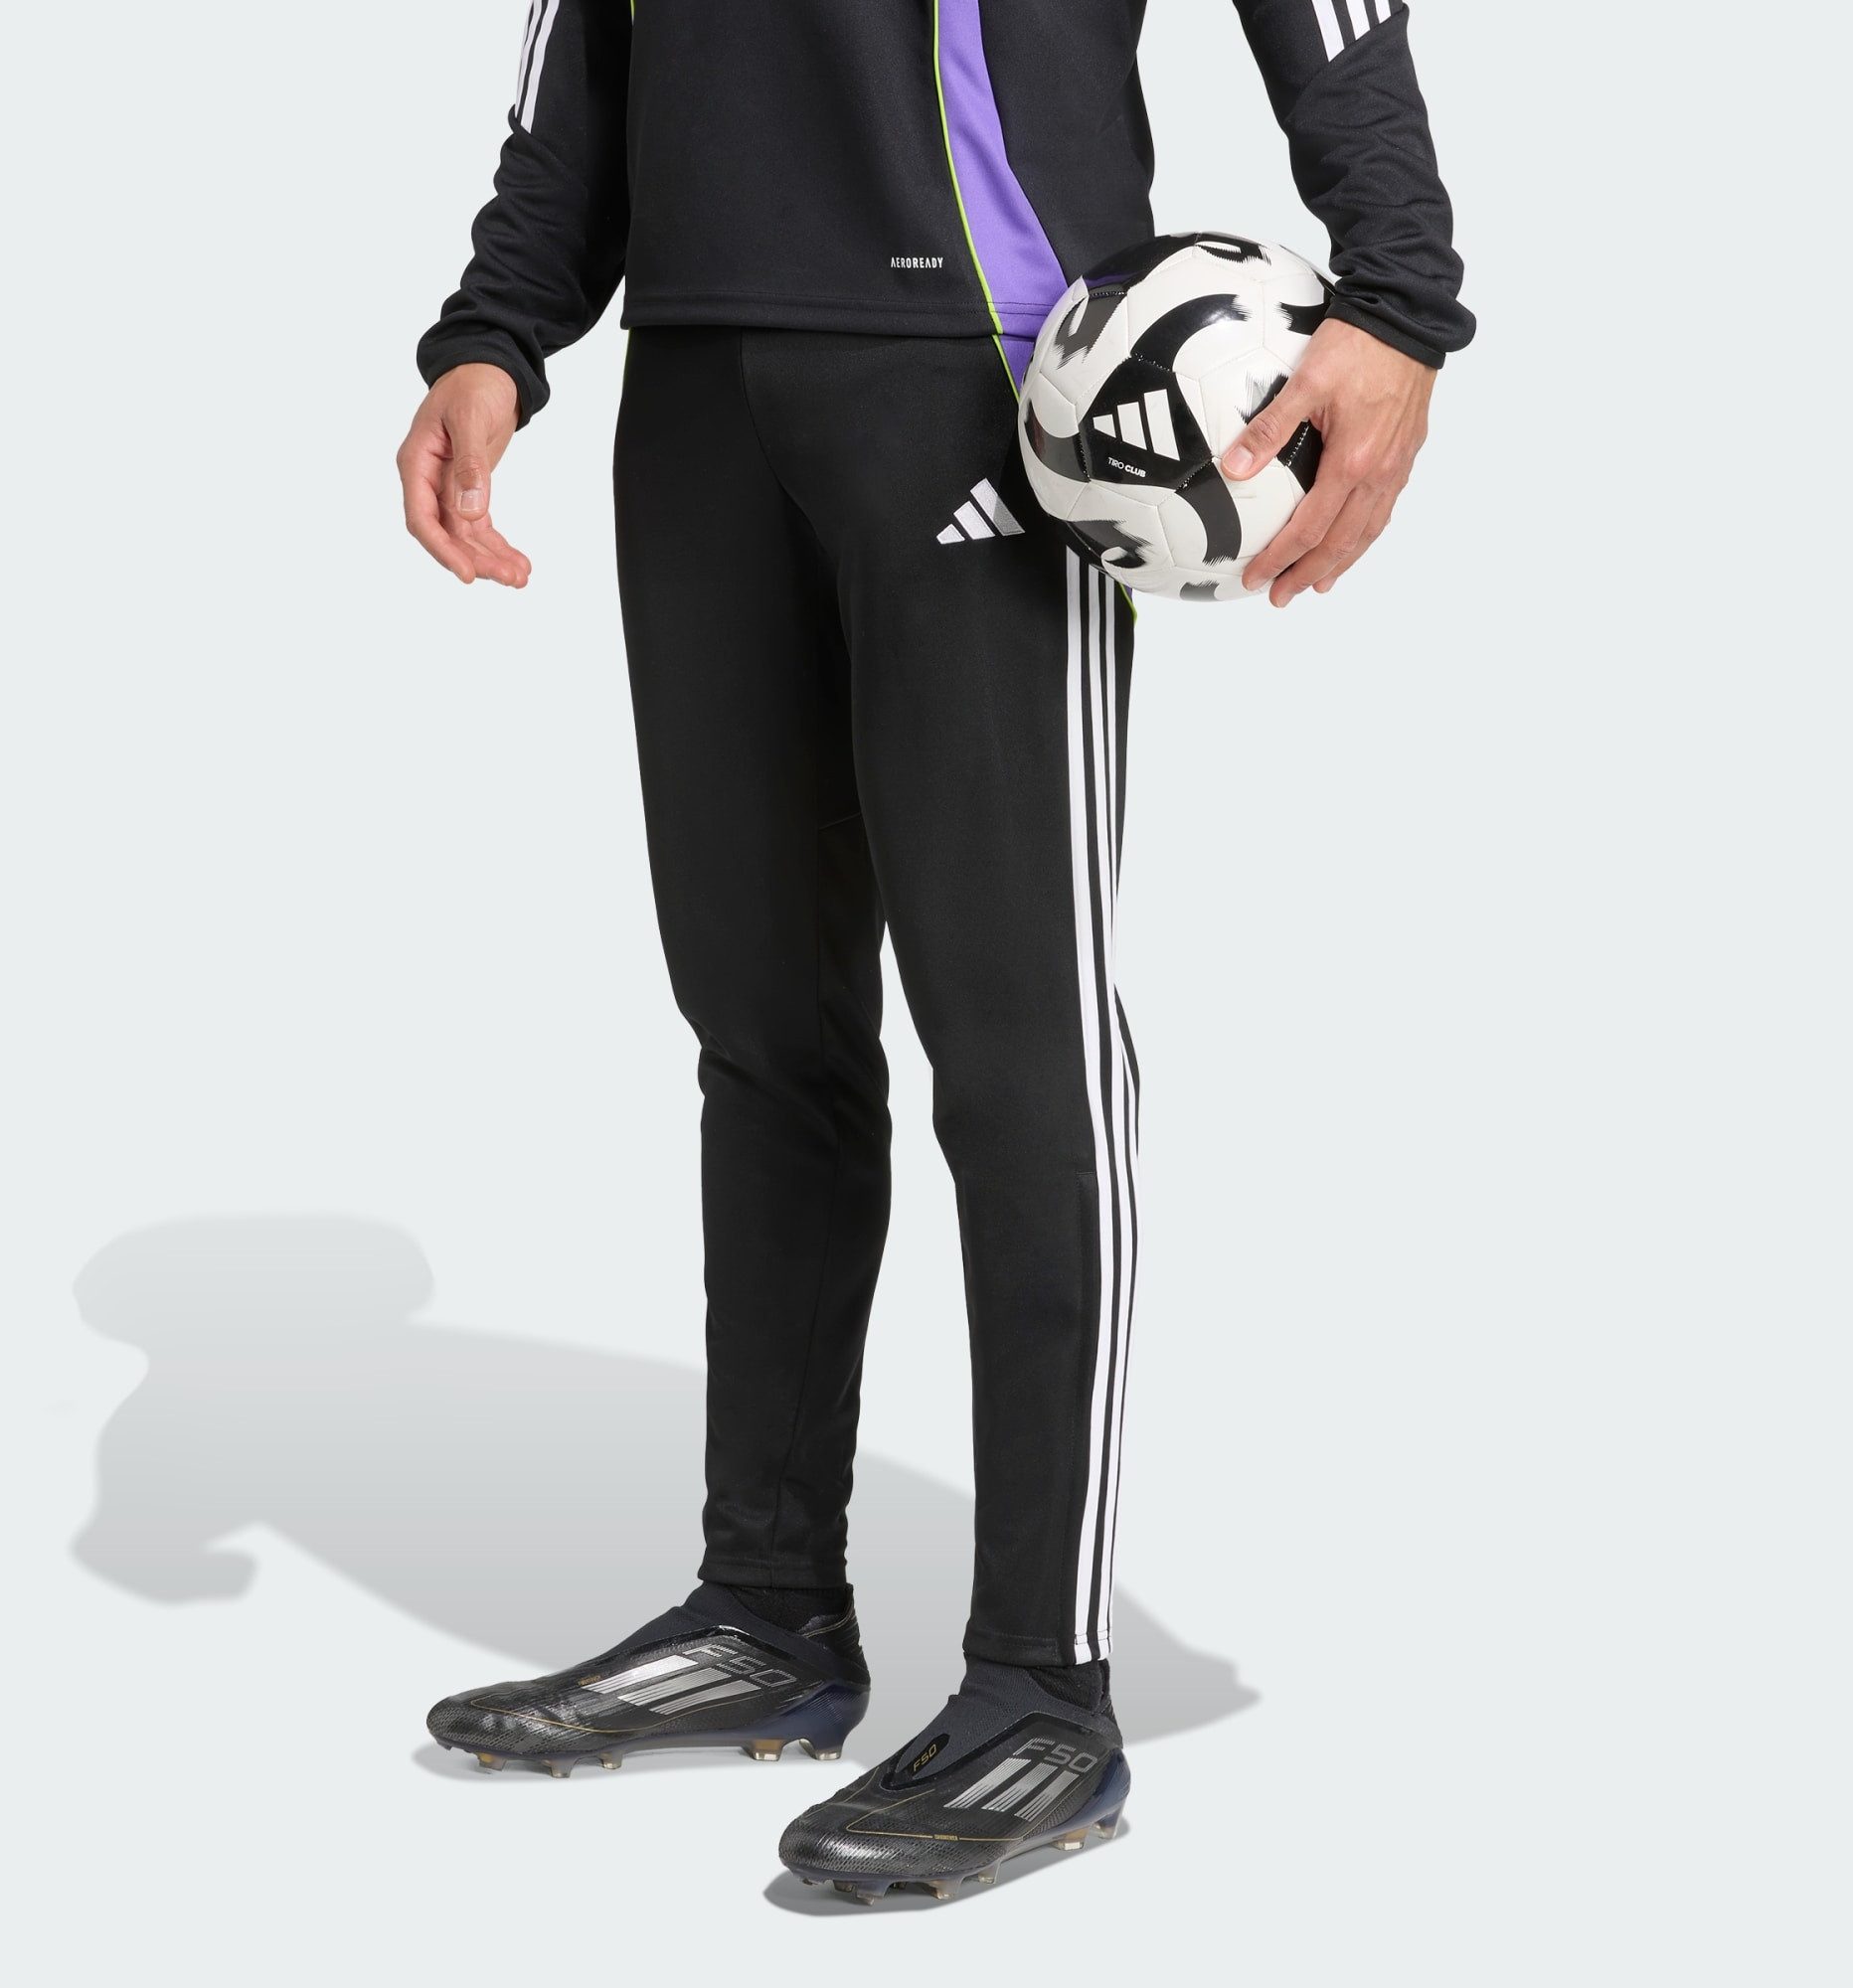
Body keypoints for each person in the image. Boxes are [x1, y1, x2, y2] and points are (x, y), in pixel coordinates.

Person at [400, 0, 1471, 1901]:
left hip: (980, 365)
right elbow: (588, 45)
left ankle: (1045, 1694)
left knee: (1018, 1050)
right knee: (764, 1039)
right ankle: (769, 1611)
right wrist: (499, 329)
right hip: (700, 379)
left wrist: (1397, 294)